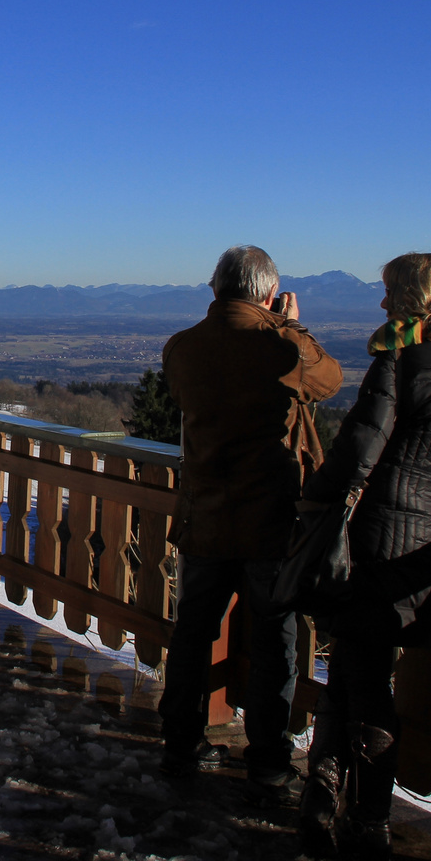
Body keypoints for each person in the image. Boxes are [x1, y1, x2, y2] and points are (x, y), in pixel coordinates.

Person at [296, 253, 431, 859]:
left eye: (391, 292)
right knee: (360, 664)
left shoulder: (400, 359)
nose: (383, 303)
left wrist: (312, 507)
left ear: (419, 298)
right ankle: (324, 796)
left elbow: (358, 447)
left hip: (376, 537)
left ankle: (364, 819)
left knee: (363, 677)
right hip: (427, 544)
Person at [157, 245, 343, 801]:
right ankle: (267, 759)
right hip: (270, 521)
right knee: (273, 643)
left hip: (205, 516)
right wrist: (290, 324)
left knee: (193, 634)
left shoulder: (182, 348)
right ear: (267, 293)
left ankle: (180, 745)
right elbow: (328, 380)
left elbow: (181, 395)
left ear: (215, 289)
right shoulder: (280, 345)